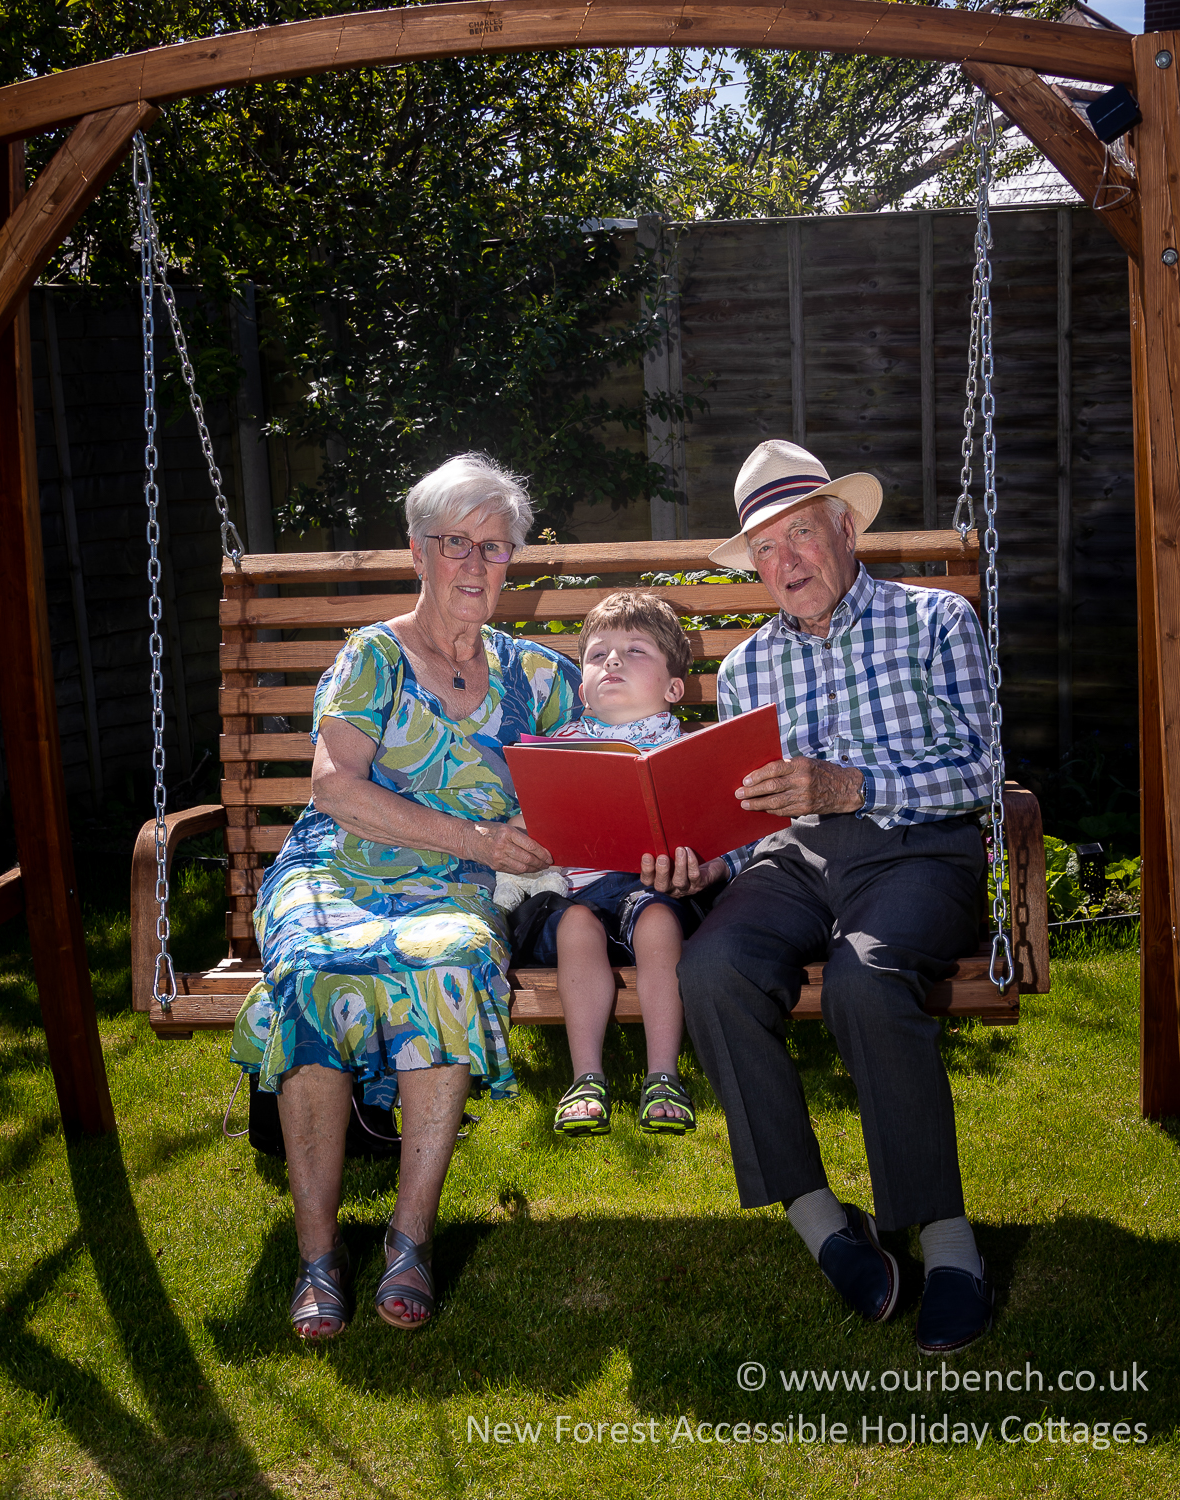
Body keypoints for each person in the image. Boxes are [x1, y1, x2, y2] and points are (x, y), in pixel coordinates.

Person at [655, 438, 995, 1356]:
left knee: (864, 977)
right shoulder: (746, 670)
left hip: (917, 849)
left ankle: (947, 1244)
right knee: (712, 967)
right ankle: (818, 1221)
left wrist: (854, 786)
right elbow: (751, 814)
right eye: (766, 548)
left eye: (801, 534)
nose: (787, 562)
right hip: (795, 861)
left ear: (845, 528)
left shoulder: (935, 621)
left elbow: (986, 771)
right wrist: (698, 859)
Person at [229, 453, 580, 1338]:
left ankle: (408, 1240)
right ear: (417, 552)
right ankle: (318, 1256)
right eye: (454, 543)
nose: (473, 564)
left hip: (453, 891)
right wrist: (476, 836)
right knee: (313, 970)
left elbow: (606, 778)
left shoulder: (537, 679)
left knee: (453, 962)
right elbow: (335, 789)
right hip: (337, 868)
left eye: (494, 548)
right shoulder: (373, 659)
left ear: (512, 563)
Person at [510, 592, 736, 1138]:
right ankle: (587, 1077)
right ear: (583, 687)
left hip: (654, 894)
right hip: (574, 898)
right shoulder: (557, 748)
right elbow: (525, 826)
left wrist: (711, 867)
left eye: (635, 651)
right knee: (577, 926)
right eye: (598, 654)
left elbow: (725, 838)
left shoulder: (690, 749)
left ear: (673, 687)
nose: (612, 661)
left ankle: (663, 1075)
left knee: (658, 918)